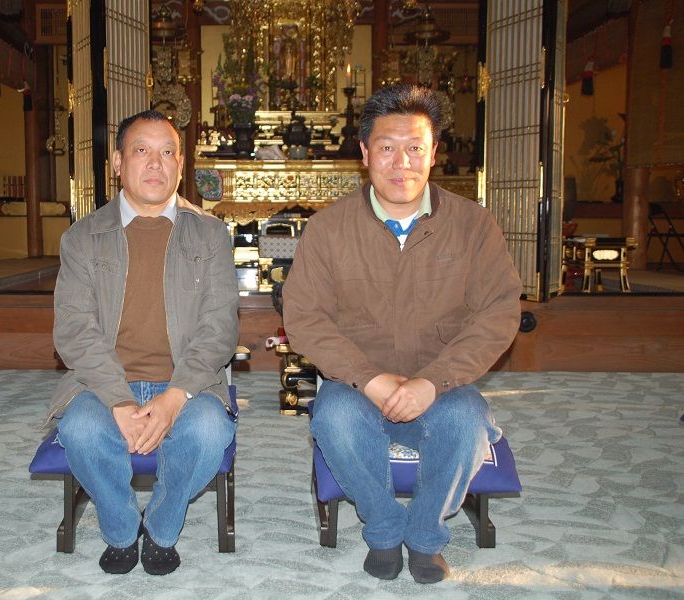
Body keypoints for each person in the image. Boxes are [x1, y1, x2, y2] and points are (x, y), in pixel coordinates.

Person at [282, 84, 521, 584]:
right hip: (357, 387)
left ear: (434, 153)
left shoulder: (473, 226)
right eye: (387, 147)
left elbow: (498, 313)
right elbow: (304, 317)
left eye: (415, 147)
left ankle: (426, 535)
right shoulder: (329, 229)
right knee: (332, 417)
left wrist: (432, 382)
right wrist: (370, 379)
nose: (402, 163)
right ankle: (385, 529)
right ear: (365, 153)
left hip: (442, 387)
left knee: (467, 420)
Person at [45, 110, 240, 576]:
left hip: (186, 385)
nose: (156, 163)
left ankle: (161, 528)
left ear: (181, 165)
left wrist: (174, 397)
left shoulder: (210, 234)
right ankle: (120, 528)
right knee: (81, 429)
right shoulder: (83, 237)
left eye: (167, 152)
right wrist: (118, 400)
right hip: (104, 385)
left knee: (209, 430)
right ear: (117, 162)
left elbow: (220, 328)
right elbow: (74, 330)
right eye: (141, 151)